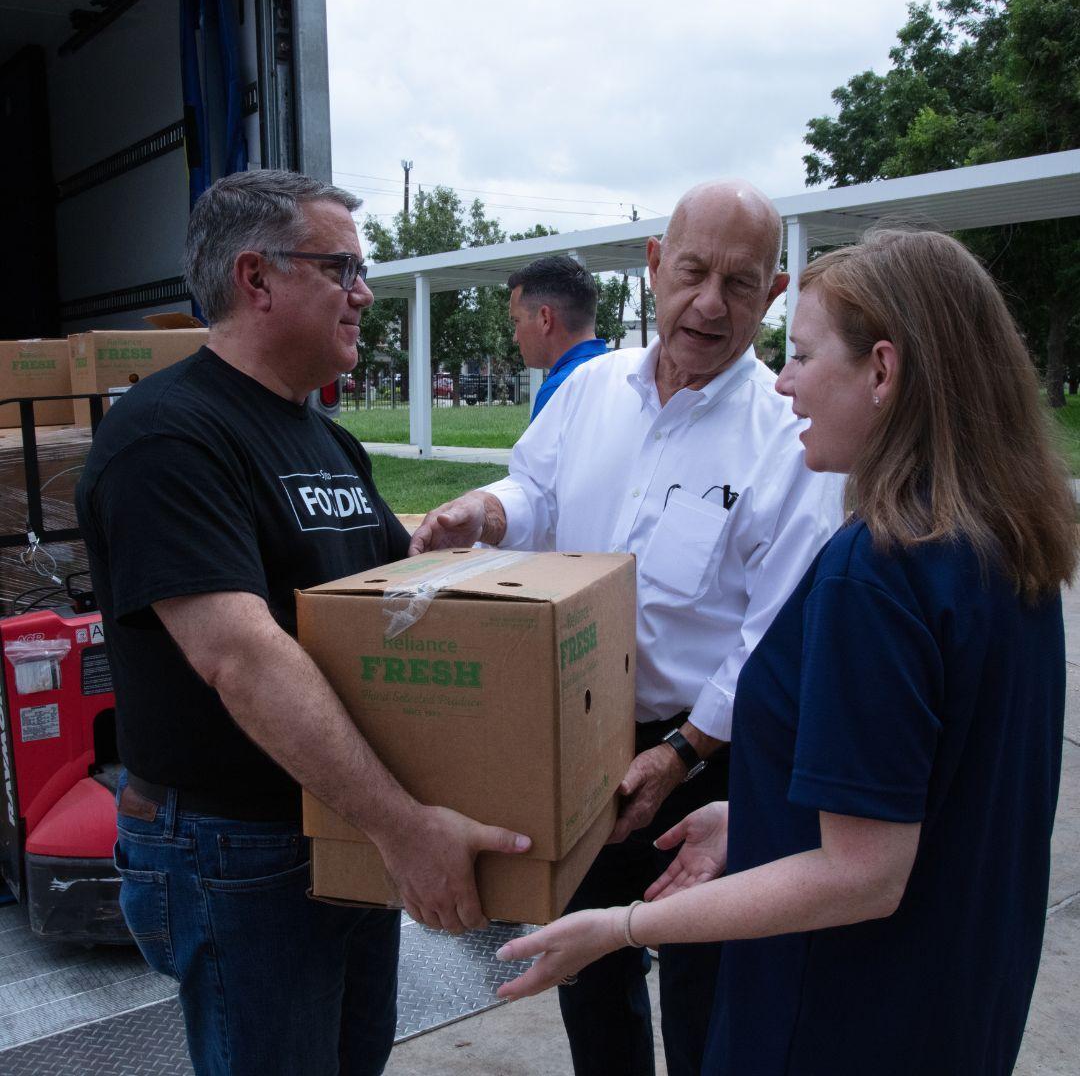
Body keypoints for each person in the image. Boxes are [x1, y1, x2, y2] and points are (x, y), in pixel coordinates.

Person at [494, 228, 1076, 1076]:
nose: (786, 382)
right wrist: (757, 820)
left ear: (883, 371)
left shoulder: (877, 571)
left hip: (843, 1014)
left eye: (801, 355)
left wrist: (621, 928)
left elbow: (862, 875)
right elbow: (939, 788)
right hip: (955, 999)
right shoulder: (1000, 539)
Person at [75, 169, 530, 1076]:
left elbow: (379, 602)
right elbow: (242, 655)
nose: (365, 295)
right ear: (258, 278)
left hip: (336, 821)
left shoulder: (324, 438)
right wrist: (403, 826)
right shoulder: (170, 436)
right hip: (237, 849)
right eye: (344, 269)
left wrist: (453, 541)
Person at [409, 180, 842, 1075]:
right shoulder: (593, 389)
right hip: (578, 739)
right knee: (585, 968)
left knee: (705, 989)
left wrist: (683, 751)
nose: (710, 304)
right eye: (691, 272)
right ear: (652, 268)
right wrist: (481, 513)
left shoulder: (785, 433)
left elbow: (773, 630)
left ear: (774, 293)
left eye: (741, 282)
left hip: (707, 767)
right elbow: (536, 491)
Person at [507, 254, 608, 420]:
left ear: (545, 318)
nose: (515, 337)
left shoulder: (560, 390)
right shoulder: (625, 377)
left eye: (517, 321)